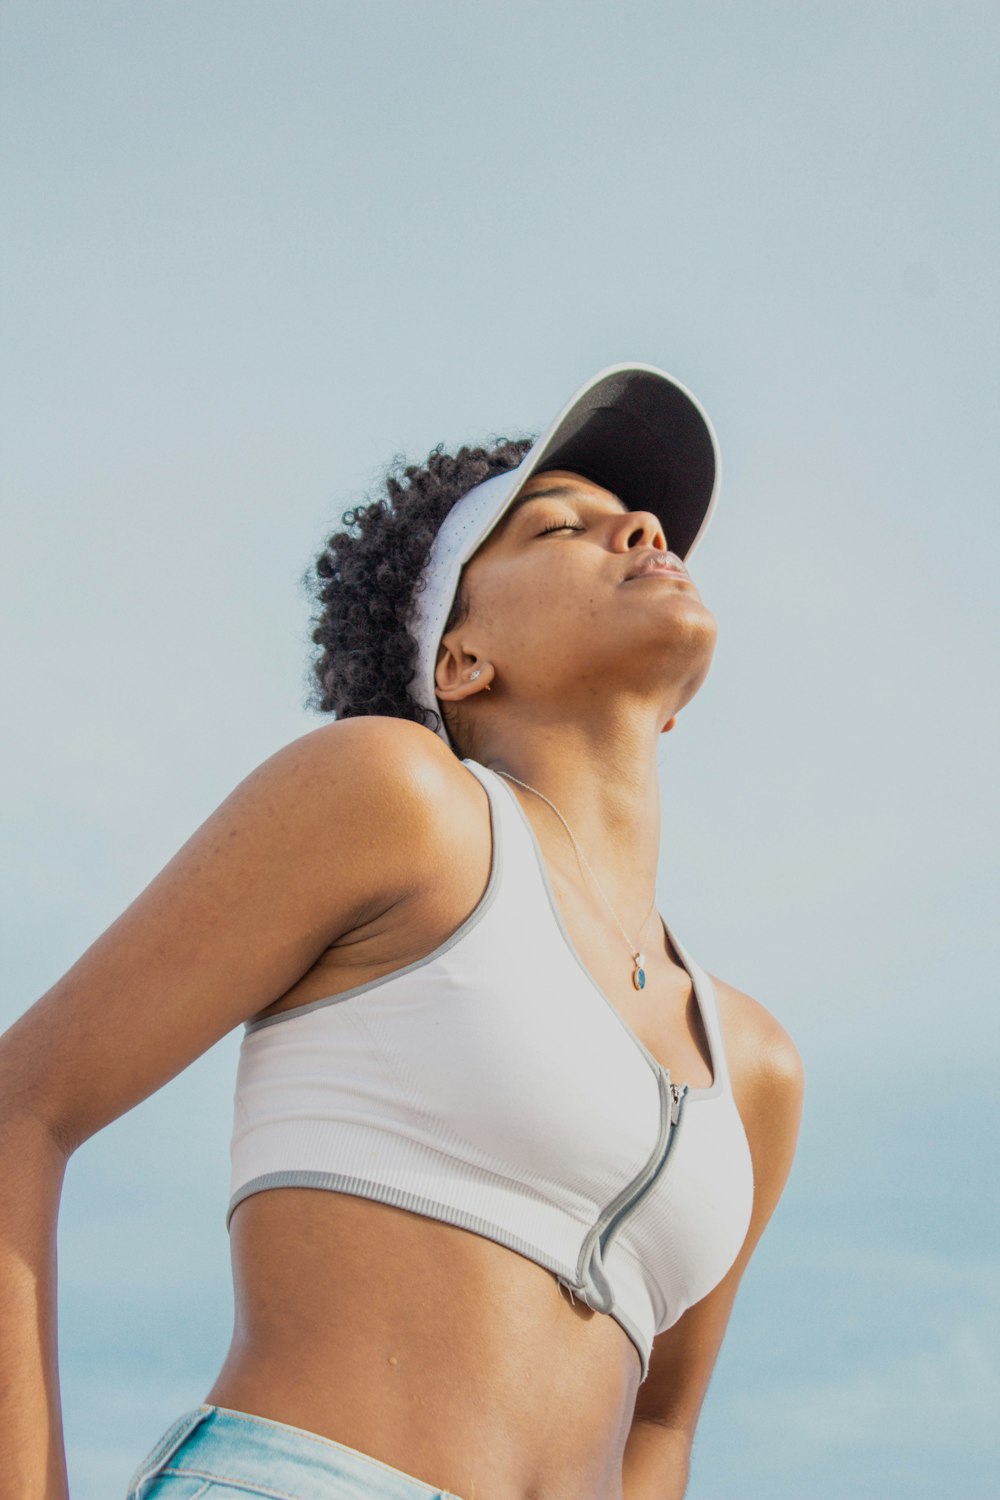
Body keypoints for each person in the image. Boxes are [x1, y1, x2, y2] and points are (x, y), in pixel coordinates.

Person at [0, 363, 804, 1500]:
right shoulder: (399, 801)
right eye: (556, 526)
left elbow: (658, 1432)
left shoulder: (756, 1069)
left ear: (677, 705)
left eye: (643, 520)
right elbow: (20, 1107)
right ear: (459, 658)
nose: (640, 528)